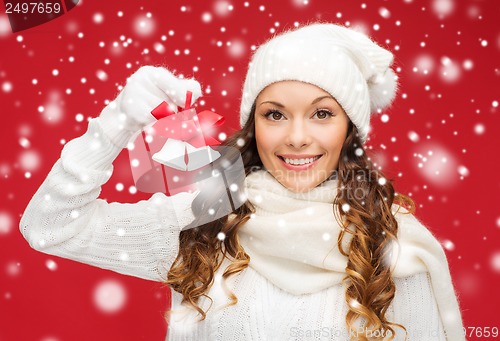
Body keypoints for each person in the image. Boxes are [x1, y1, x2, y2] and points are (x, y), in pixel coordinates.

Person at [20, 23, 465, 341]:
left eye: (322, 113)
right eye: (275, 114)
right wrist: (115, 123)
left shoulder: (393, 247)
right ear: (253, 125)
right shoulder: (204, 222)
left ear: (350, 130)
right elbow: (50, 227)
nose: (296, 137)